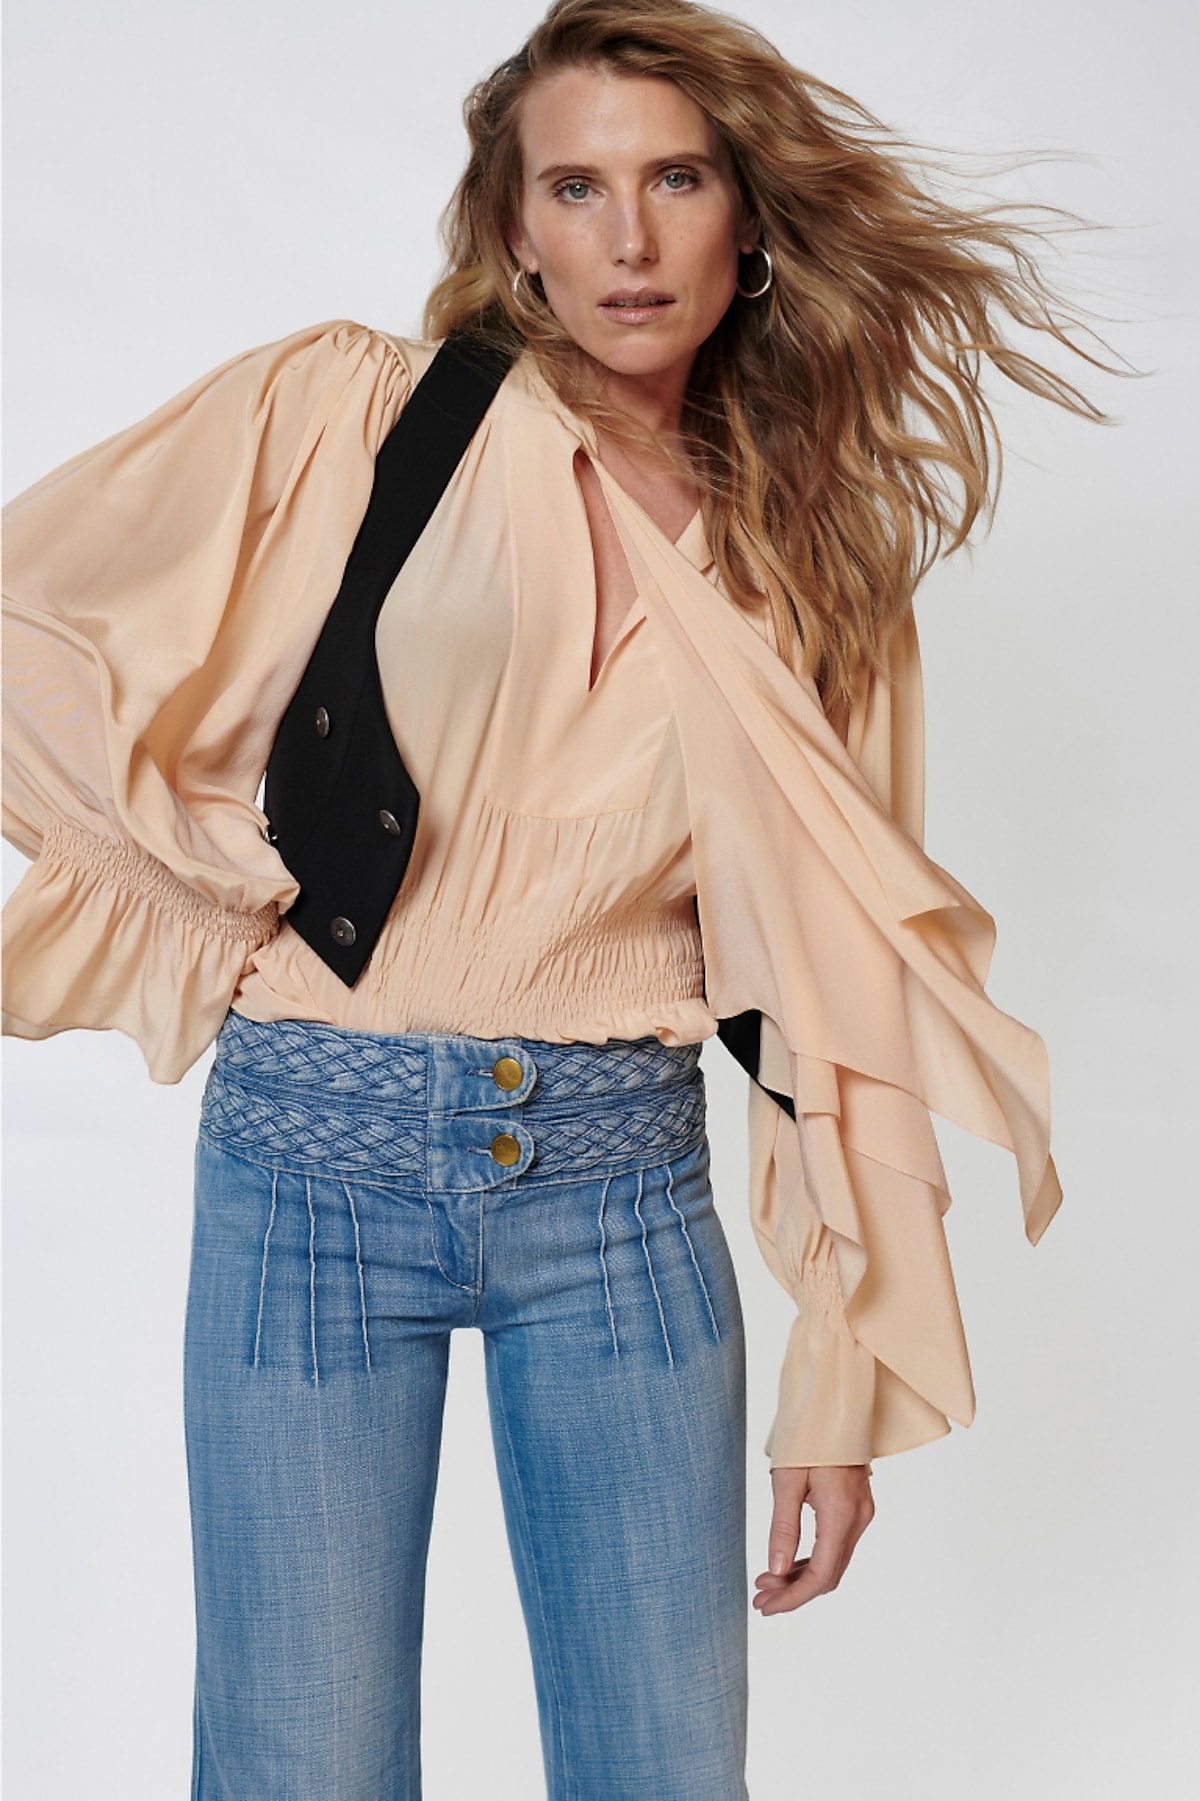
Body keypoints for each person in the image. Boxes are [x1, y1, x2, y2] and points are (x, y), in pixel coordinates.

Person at [1, 1, 1109, 1794]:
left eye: (675, 178)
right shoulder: (360, 414)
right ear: (513, 228)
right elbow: (27, 628)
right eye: (575, 187)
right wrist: (210, 888)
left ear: (747, 217)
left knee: (666, 1772)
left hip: (621, 1194)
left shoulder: (807, 549)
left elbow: (842, 986)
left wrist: (843, 1379)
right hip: (314, 1166)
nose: (628, 235)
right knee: (301, 1767)